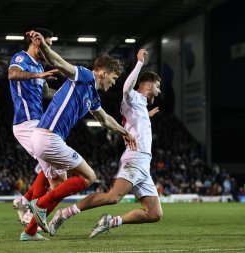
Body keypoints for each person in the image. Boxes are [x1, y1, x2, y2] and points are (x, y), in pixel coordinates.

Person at [20, 30, 136, 241]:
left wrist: (124, 132)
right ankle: (39, 204)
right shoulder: (83, 75)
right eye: (114, 77)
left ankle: (29, 232)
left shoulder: (92, 96)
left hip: (44, 138)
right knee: (88, 176)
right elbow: (60, 62)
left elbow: (105, 119)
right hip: (49, 137)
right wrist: (44, 46)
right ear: (102, 72)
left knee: (58, 183)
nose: (114, 82)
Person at [47, 49, 163, 239]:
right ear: (148, 85)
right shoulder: (133, 97)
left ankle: (111, 221)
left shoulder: (140, 108)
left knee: (154, 213)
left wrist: (146, 118)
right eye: (157, 87)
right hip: (136, 158)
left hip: (144, 163)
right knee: (112, 197)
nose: (158, 91)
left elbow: (135, 122)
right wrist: (140, 63)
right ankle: (65, 213)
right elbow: (126, 88)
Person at [8, 28, 63, 227]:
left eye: (50, 44)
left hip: (38, 124)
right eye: (45, 43)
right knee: (57, 174)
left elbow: (48, 93)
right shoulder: (21, 58)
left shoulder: (39, 67)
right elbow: (12, 74)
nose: (47, 47)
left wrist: (70, 93)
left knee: (52, 171)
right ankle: (32, 218)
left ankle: (23, 203)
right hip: (26, 123)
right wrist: (37, 75)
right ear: (35, 42)